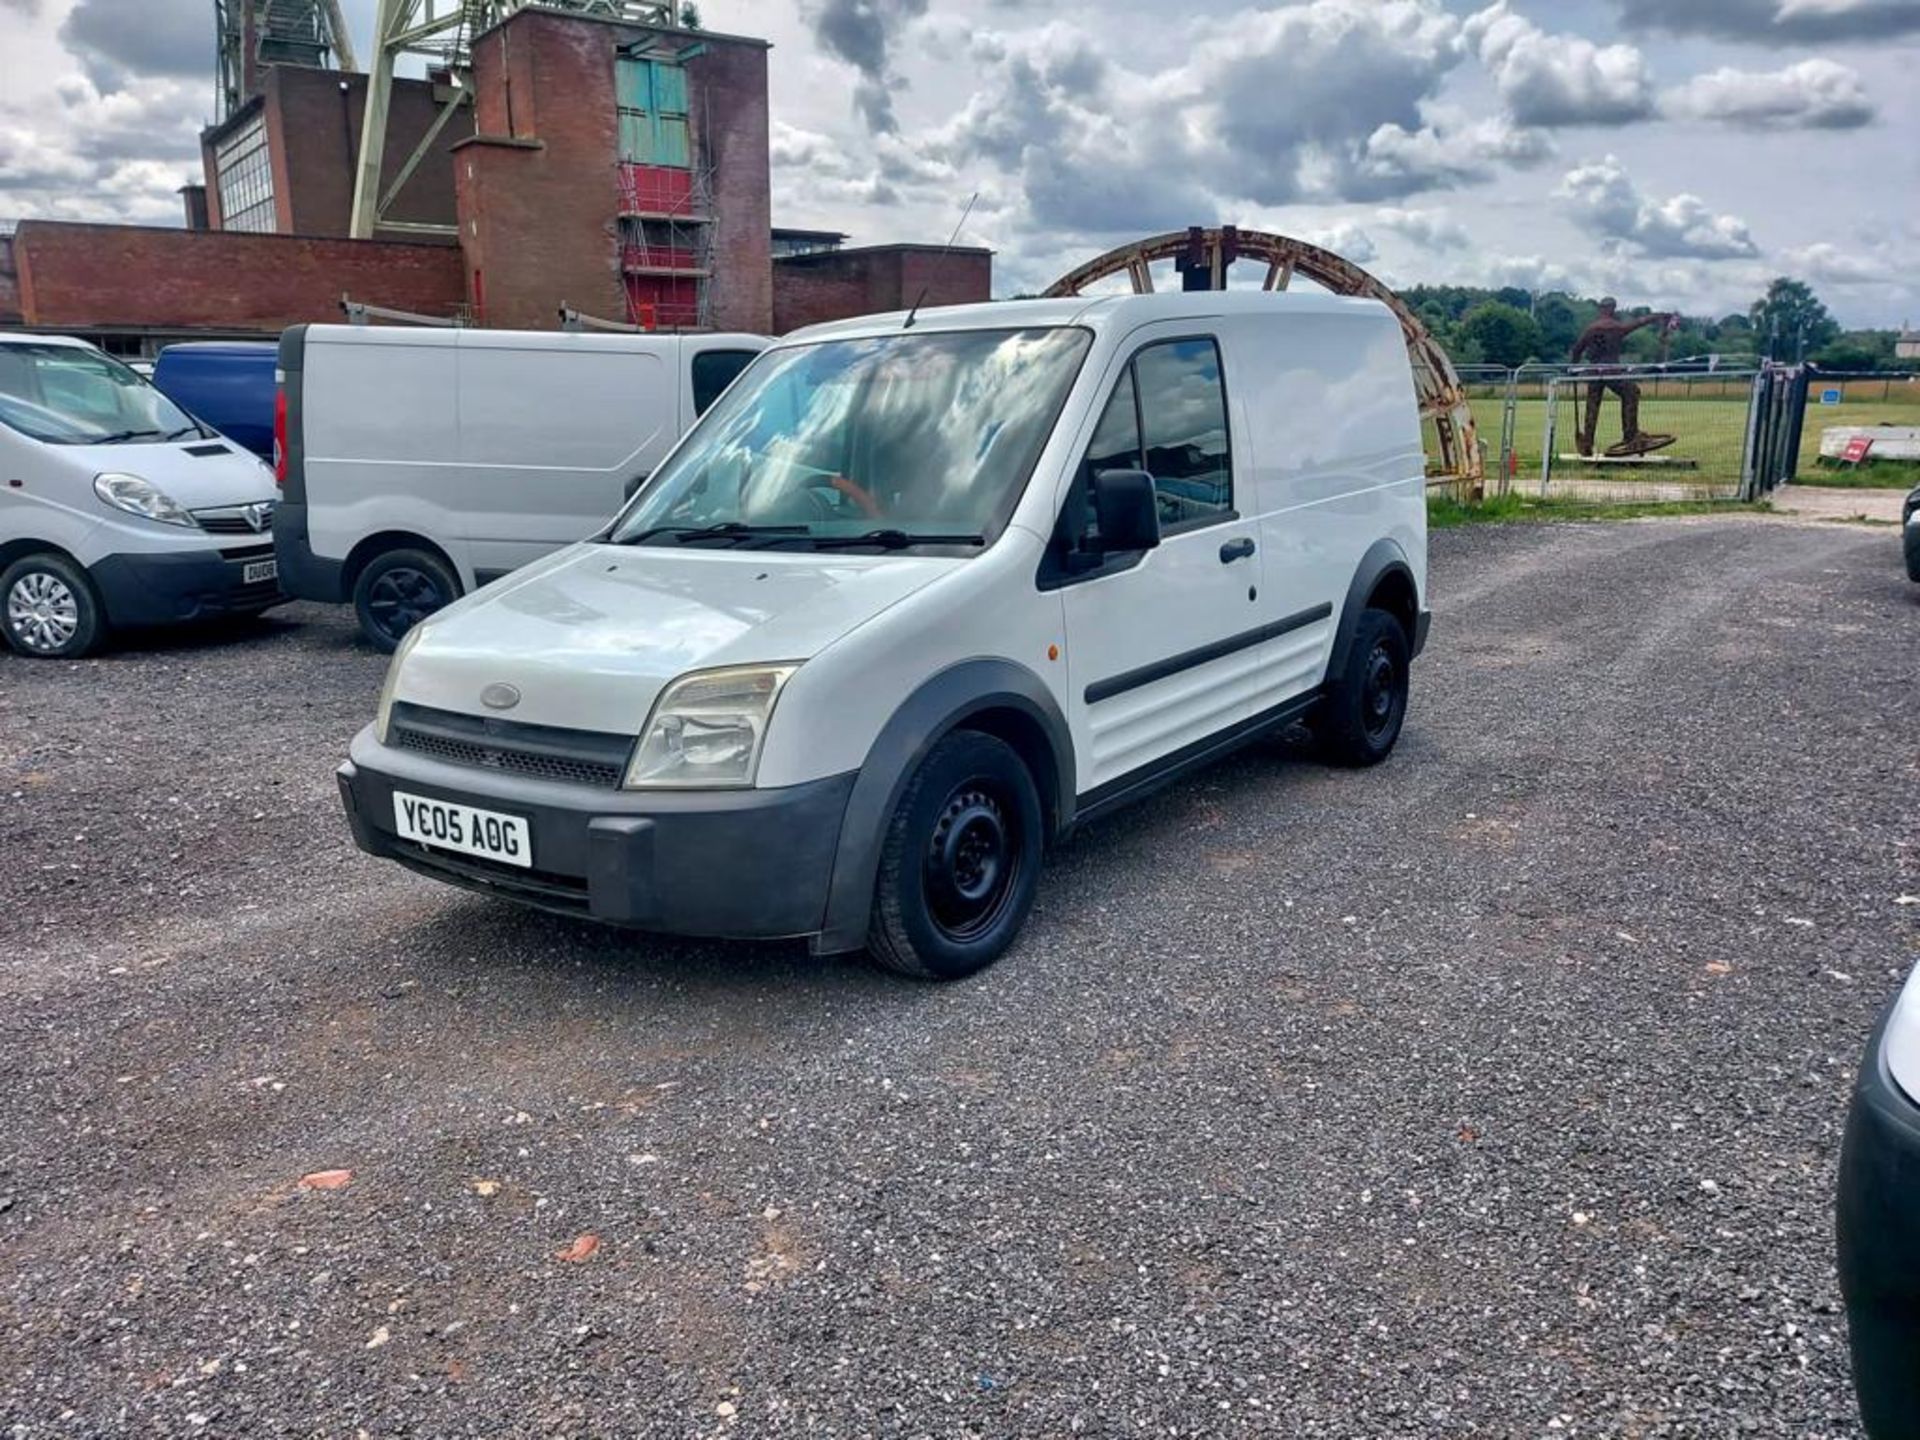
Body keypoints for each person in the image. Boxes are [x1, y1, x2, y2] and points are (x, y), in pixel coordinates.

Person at [1570, 298, 1675, 457]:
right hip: (1612, 371)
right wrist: (1659, 316)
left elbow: (1576, 350)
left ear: (1600, 309)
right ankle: (1630, 435)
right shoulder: (1618, 327)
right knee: (1631, 392)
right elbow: (1641, 321)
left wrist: (1573, 368)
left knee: (1592, 406)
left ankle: (1588, 442)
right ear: (1613, 309)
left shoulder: (1590, 330)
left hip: (1593, 372)